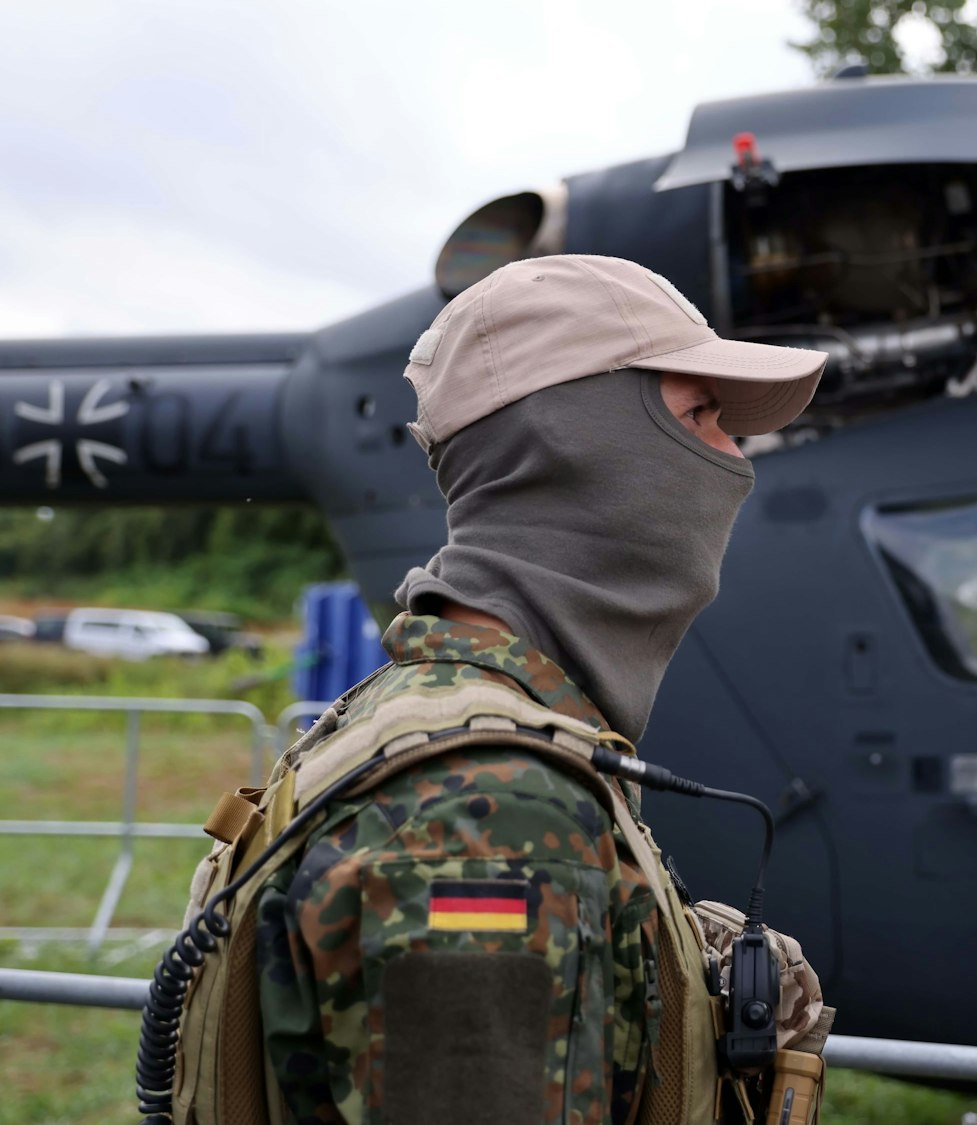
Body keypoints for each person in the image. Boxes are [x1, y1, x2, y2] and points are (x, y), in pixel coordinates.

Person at [168, 254, 830, 1125]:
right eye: (699, 414)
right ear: (578, 442)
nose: (734, 460)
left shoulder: (428, 725)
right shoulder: (482, 816)